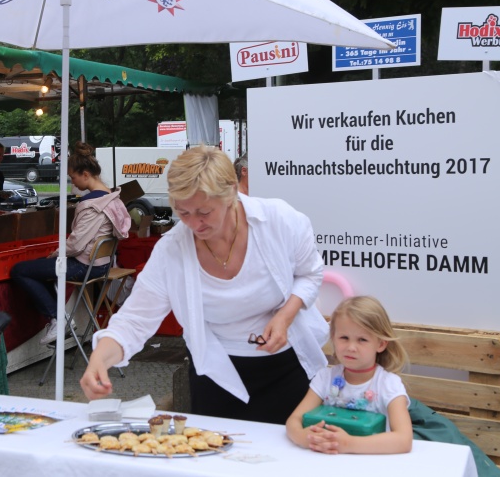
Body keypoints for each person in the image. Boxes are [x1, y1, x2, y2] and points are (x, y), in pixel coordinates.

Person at [80, 146, 328, 424]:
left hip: (287, 369)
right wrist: (100, 359)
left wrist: (285, 315)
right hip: (216, 373)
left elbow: (310, 274)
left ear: (232, 191)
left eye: (204, 212)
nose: (194, 224)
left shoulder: (280, 221)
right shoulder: (172, 250)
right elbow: (135, 320)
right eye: (183, 212)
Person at [11, 141, 131, 344]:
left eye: (73, 178)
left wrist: (56, 253)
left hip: (84, 267)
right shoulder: (112, 199)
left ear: (85, 174)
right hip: (102, 266)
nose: (73, 183)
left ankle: (59, 319)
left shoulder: (92, 205)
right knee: (43, 269)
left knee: (20, 270)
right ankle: (61, 317)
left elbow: (75, 245)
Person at [286, 296, 412, 454]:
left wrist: (348, 444)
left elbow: (404, 440)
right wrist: (303, 437)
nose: (351, 347)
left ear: (380, 344)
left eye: (362, 340)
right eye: (344, 338)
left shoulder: (388, 384)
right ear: (333, 338)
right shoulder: (325, 378)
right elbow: (294, 420)